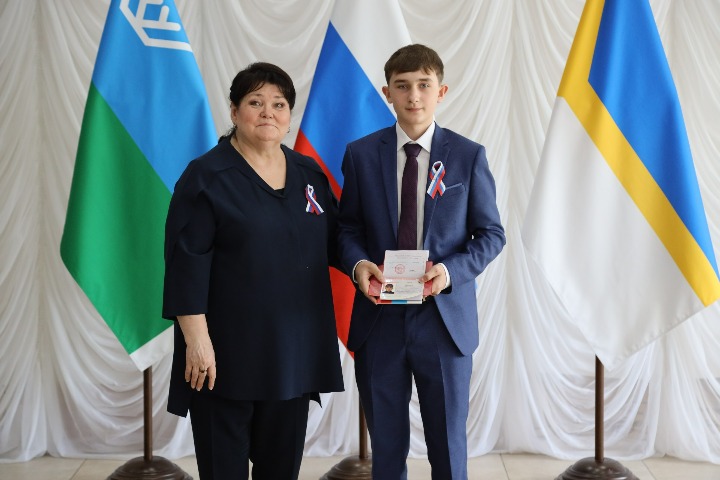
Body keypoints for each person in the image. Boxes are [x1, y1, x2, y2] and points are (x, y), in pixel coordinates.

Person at [162, 62, 344, 480]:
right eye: (255, 102)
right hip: (223, 358)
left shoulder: (309, 175)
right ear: (234, 111)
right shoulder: (206, 176)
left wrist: (365, 266)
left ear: (289, 115)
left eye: (279, 104)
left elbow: (337, 243)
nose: (268, 113)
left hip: (292, 356)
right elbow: (186, 264)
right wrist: (197, 342)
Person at [337, 44, 506, 479]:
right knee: (386, 448)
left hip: (443, 321)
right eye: (402, 86)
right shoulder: (360, 154)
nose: (414, 95)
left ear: (441, 91)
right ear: (387, 93)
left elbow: (492, 234)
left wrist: (448, 272)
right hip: (380, 319)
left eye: (424, 85)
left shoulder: (468, 155)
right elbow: (346, 229)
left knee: (448, 446)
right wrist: (358, 266)